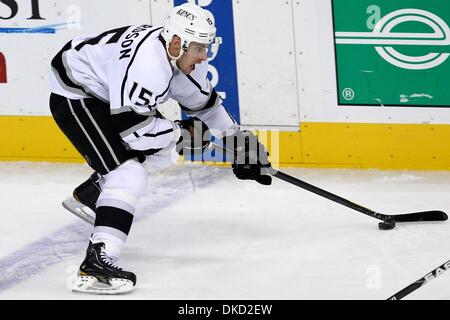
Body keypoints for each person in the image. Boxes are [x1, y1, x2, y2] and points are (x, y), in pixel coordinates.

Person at [49, 2, 271, 294]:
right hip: (77, 93)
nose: (204, 56)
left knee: (160, 150)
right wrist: (184, 134)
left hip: (110, 91)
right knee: (128, 174)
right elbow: (135, 132)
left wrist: (242, 145)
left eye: (206, 47)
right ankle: (96, 268)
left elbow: (205, 106)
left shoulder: (180, 57)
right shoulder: (148, 67)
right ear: (177, 43)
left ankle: (95, 193)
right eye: (199, 48)